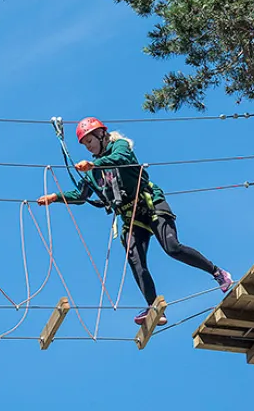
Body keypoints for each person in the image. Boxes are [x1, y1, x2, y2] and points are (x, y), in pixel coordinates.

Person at [37, 117, 233, 325]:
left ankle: (217, 272)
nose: (89, 147)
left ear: (102, 134)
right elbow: (81, 195)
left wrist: (94, 164)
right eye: (85, 144)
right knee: (135, 259)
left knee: (172, 247)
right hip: (131, 217)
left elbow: (121, 159)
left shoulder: (119, 147)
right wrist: (55, 198)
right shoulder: (92, 172)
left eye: (90, 140)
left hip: (150, 205)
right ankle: (155, 307)